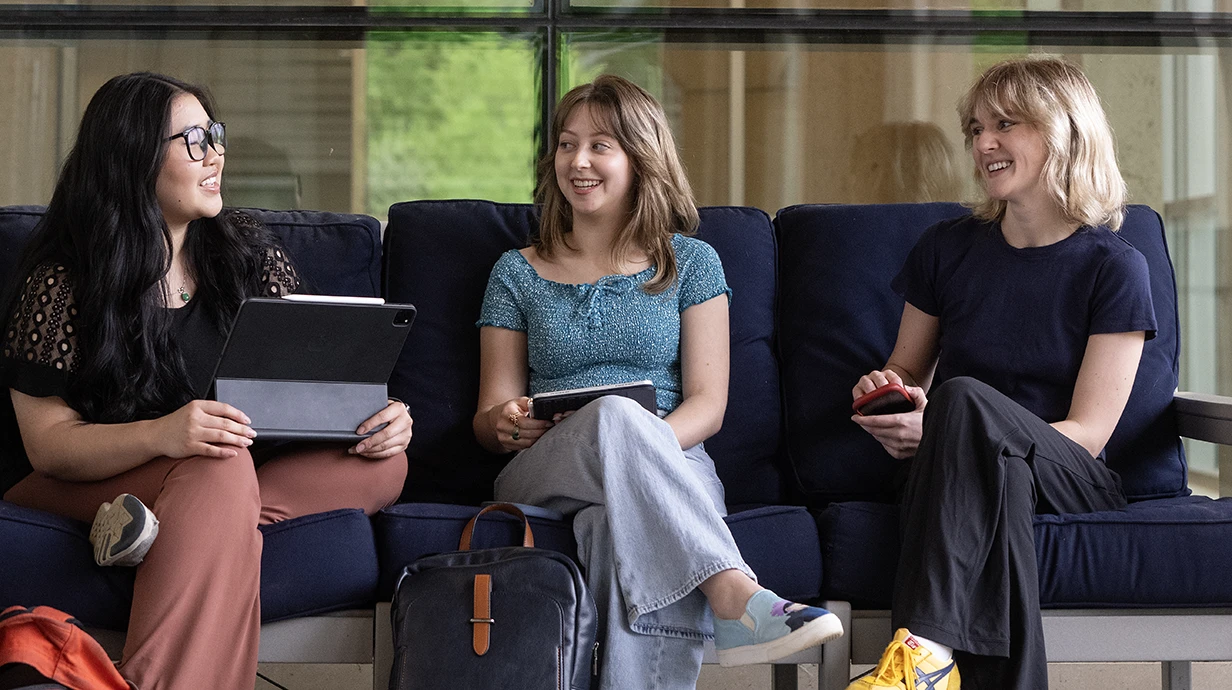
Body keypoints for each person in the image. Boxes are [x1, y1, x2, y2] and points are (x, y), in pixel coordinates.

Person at [0, 72, 411, 690]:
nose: (214, 154)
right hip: (89, 478)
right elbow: (48, 444)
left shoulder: (250, 259)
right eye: (192, 140)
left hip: (225, 471)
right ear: (135, 157)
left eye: (214, 135)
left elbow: (308, 391)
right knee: (215, 468)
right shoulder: (64, 279)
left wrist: (379, 418)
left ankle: (172, 529)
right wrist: (167, 433)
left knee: (382, 465)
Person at [473, 74, 843, 689]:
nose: (578, 161)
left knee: (612, 522)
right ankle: (735, 596)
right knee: (617, 417)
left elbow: (708, 404)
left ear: (641, 159)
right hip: (548, 465)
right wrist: (505, 422)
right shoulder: (516, 271)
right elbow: (488, 417)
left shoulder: (691, 262)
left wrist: (637, 454)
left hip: (674, 457)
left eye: (600, 146)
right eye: (567, 145)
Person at [846, 57, 1155, 690]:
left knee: (963, 402)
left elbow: (1089, 434)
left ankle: (921, 650)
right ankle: (935, 669)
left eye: (1005, 125)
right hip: (967, 467)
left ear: (1063, 132)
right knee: (992, 464)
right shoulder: (945, 248)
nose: (983, 143)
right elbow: (907, 370)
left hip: (1070, 472)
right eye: (976, 127)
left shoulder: (1114, 267)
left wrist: (945, 427)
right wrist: (887, 393)